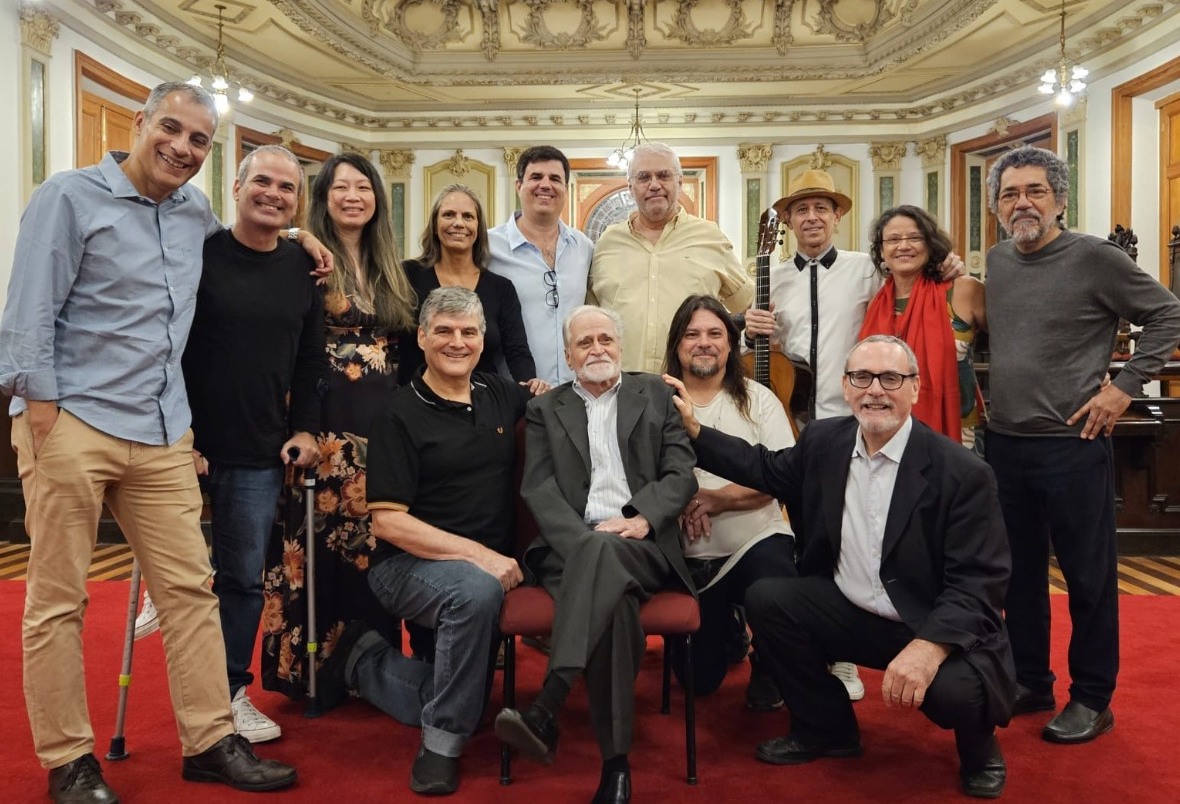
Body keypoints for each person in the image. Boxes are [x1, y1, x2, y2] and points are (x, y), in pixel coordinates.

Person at [0, 81, 301, 803]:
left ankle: (207, 740)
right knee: (59, 598)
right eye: (171, 129)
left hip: (163, 429)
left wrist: (298, 236)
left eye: (199, 140)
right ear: (138, 123)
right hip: (72, 419)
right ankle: (70, 759)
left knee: (189, 593)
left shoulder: (195, 211)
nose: (182, 148)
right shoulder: (68, 197)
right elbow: (28, 309)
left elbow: (241, 251)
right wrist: (41, 415)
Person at [667, 335, 1016, 799]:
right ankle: (826, 729)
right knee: (770, 598)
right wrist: (695, 431)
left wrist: (928, 649)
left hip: (925, 622)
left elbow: (979, 583)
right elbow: (762, 467)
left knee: (959, 694)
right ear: (846, 387)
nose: (875, 390)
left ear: (915, 387)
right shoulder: (823, 442)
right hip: (848, 609)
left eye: (891, 378)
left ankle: (979, 747)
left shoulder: (961, 472)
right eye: (862, 377)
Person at [984, 145, 1180, 744]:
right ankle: (1031, 681)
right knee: (1016, 577)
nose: (1023, 203)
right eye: (1010, 193)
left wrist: (1122, 388)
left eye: (1035, 191)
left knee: (1088, 578)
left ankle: (1093, 698)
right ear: (995, 206)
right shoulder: (996, 260)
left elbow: (1170, 315)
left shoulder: (1096, 257)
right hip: (1005, 445)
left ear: (1060, 200)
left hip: (1073, 444)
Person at [317, 286, 532, 796]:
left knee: (471, 700)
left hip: (480, 568)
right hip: (406, 567)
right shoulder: (399, 414)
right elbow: (389, 524)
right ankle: (441, 746)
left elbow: (568, 401)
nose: (457, 342)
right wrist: (480, 556)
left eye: (468, 332)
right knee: (475, 592)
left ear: (482, 340)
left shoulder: (499, 394)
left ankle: (361, 660)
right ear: (421, 337)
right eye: (444, 331)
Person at [494, 305, 697, 804]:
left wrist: (643, 518)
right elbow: (539, 490)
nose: (597, 349)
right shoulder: (545, 409)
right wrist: (585, 543)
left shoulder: (655, 395)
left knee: (609, 561)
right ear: (567, 354)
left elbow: (681, 474)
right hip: (569, 549)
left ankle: (550, 702)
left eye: (605, 339)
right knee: (616, 606)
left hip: (641, 544)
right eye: (584, 343)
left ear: (620, 346)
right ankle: (616, 767)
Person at [181, 144, 328, 743]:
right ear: (236, 186)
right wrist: (180, 435)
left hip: (257, 447)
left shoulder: (303, 268)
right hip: (177, 441)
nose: (273, 194)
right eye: (261, 182)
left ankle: (228, 692)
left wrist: (305, 429)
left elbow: (310, 359)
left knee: (242, 577)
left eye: (287, 188)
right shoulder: (200, 252)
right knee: (184, 580)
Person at [261, 151, 418, 702]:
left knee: (372, 545)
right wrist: (300, 232)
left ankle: (370, 667)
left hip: (383, 430)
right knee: (318, 543)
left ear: (378, 200)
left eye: (364, 188)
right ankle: (314, 673)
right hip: (322, 427)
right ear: (322, 198)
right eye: (340, 188)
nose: (354, 197)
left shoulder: (391, 268)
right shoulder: (301, 257)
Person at [661, 295, 797, 708]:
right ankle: (729, 623)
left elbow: (786, 476)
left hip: (753, 541)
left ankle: (769, 661)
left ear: (731, 342)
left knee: (773, 581)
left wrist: (719, 500)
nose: (704, 342)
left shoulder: (759, 399)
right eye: (692, 334)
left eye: (715, 334)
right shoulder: (655, 399)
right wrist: (680, 498)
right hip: (688, 561)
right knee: (699, 682)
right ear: (677, 345)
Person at [588, 142, 753, 373]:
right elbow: (590, 317)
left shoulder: (709, 237)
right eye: (644, 177)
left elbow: (747, 304)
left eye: (663, 175)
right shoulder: (607, 243)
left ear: (680, 182)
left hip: (692, 387)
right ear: (630, 187)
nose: (654, 185)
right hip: (621, 390)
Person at [858, 205, 986, 447]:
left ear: (930, 243)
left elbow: (1014, 342)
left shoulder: (964, 290)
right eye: (893, 239)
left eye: (915, 238)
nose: (903, 246)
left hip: (958, 434)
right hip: (888, 434)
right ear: (881, 251)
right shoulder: (875, 303)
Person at [398, 184, 546, 394]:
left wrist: (531, 386)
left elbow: (517, 351)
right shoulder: (406, 276)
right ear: (434, 224)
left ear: (478, 227)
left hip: (484, 405)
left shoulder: (500, 288)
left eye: (468, 216)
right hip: (417, 405)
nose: (458, 223)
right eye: (449, 215)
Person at [489, 145, 595, 386]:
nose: (545, 185)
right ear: (519, 186)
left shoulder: (583, 247)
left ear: (565, 189)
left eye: (555, 178)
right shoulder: (488, 247)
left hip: (575, 393)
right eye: (536, 177)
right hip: (512, 391)